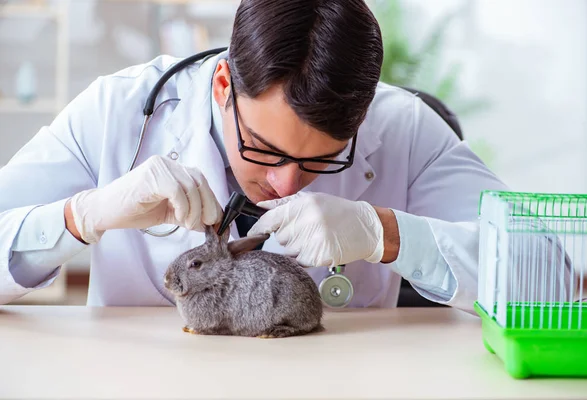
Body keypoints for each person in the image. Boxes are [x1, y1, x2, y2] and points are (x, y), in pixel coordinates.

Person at [0, 0, 508, 311]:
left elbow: (558, 273)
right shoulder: (118, 109)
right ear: (224, 84)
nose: (287, 185)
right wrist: (81, 216)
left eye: (322, 160)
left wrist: (388, 235)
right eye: (264, 149)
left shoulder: (405, 125)